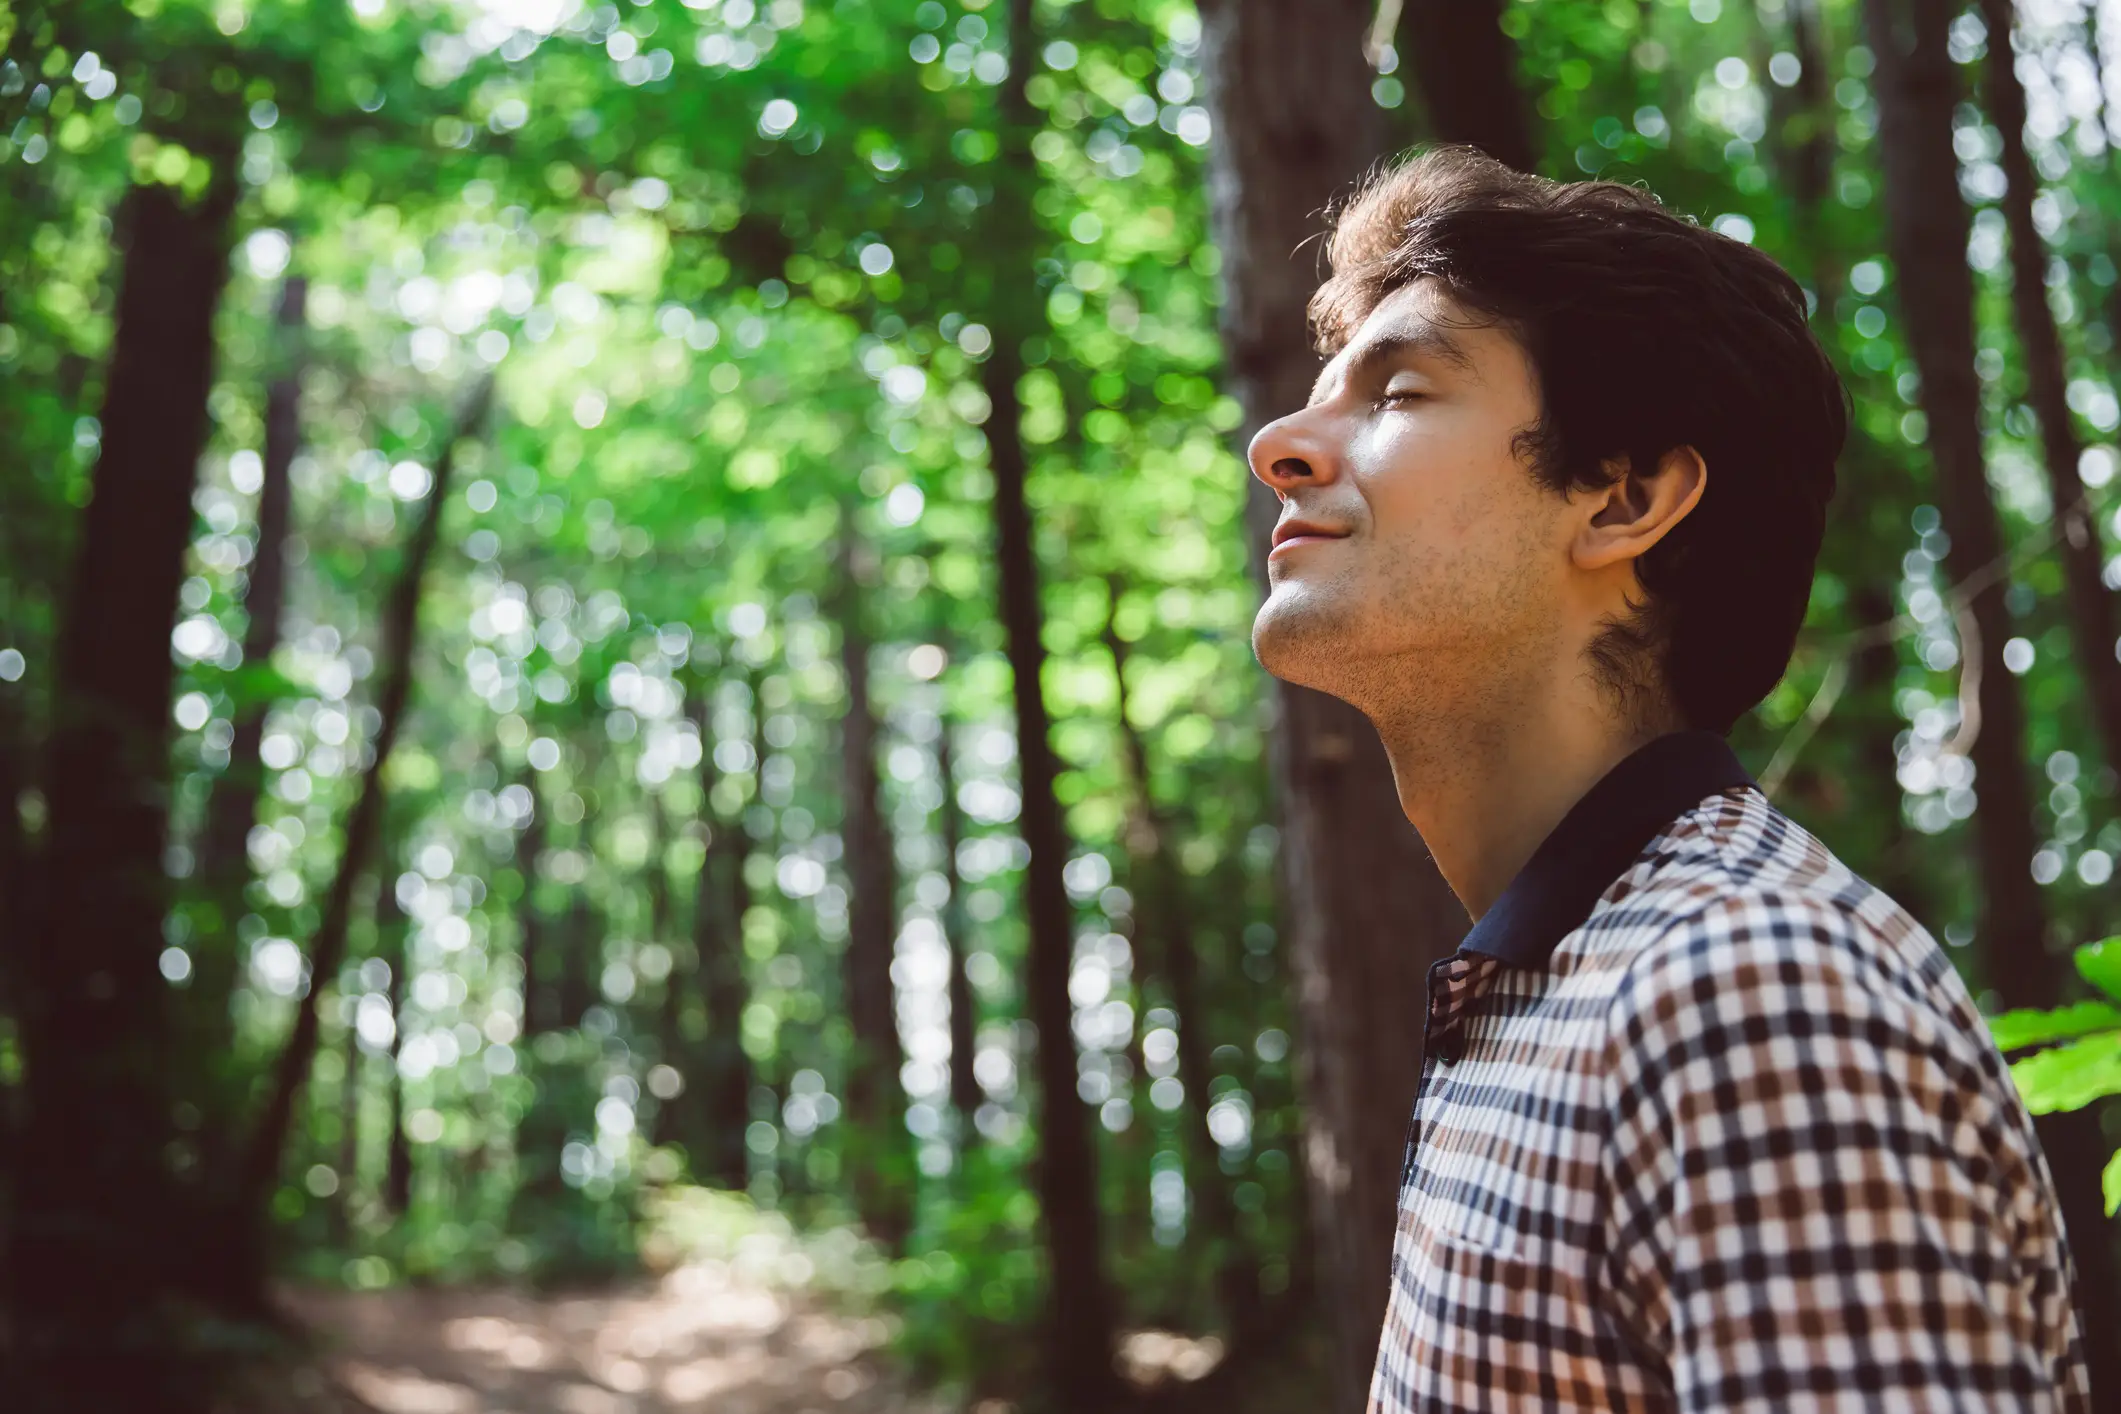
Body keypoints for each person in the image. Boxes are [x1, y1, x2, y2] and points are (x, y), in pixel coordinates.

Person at [1246, 146, 2092, 1411]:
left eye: (1402, 393)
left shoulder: (1750, 993)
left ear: (1624, 496)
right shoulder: (1578, 981)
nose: (1281, 445)